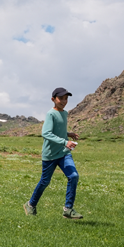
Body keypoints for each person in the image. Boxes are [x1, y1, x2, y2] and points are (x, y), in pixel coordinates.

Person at [24, 87, 83, 219]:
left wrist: (68, 134)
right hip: (50, 155)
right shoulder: (51, 114)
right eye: (61, 98)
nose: (64, 101)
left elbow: (57, 130)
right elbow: (46, 133)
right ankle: (31, 205)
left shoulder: (65, 113)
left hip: (64, 153)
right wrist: (64, 141)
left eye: (66, 98)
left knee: (73, 176)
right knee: (45, 182)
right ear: (53, 99)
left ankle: (68, 209)